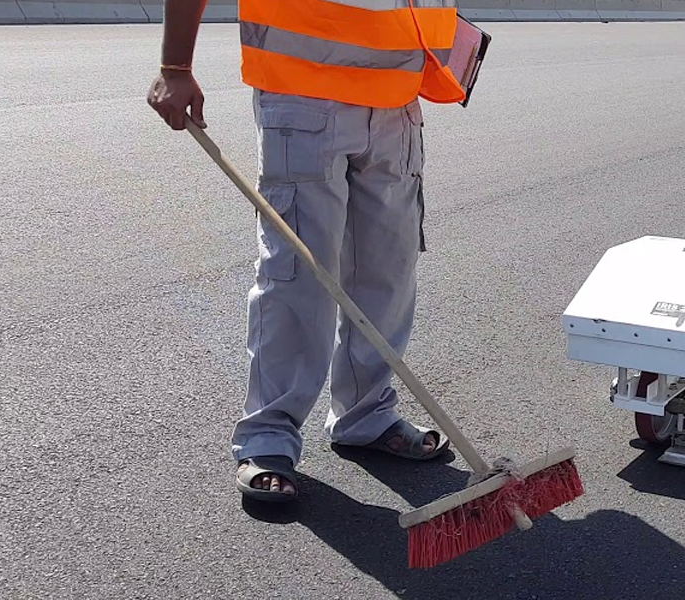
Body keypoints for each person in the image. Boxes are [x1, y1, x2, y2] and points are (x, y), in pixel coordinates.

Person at [146, 0, 470, 502]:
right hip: (303, 93)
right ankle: (269, 436)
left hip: (397, 101)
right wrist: (176, 65)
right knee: (299, 276)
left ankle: (366, 416)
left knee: (387, 270)